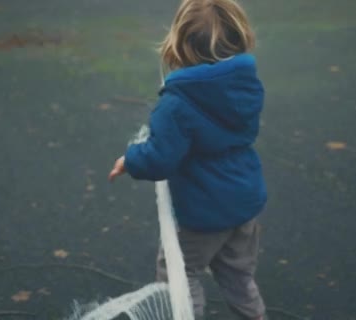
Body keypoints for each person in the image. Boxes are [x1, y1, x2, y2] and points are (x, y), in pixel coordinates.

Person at [108, 0, 267, 319]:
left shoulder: (177, 104)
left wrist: (131, 158)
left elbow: (159, 159)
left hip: (202, 211)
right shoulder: (247, 85)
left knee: (179, 275)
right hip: (244, 201)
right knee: (238, 275)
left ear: (178, 44)